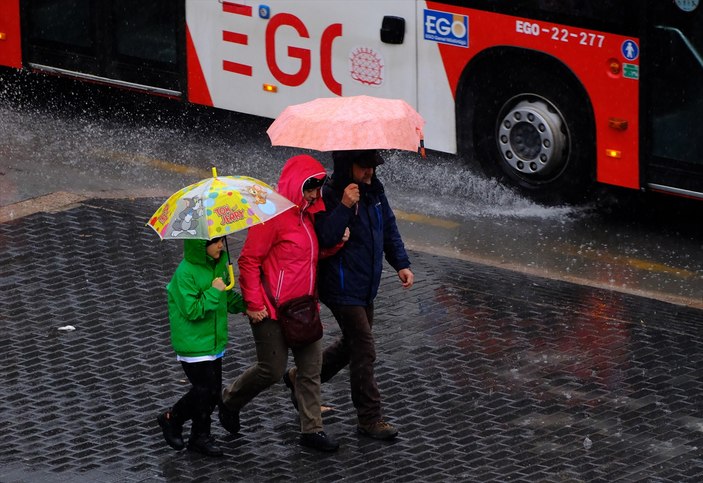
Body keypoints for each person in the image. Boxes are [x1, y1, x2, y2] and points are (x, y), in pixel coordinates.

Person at [284, 149, 414, 441]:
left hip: (364, 284)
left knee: (351, 345)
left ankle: (300, 378)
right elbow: (324, 238)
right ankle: (369, 418)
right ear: (346, 166)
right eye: (363, 166)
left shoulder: (376, 193)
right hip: (340, 287)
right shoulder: (331, 195)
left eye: (372, 167)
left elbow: (389, 229)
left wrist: (401, 264)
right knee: (364, 349)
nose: (369, 173)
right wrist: (344, 206)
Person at [218, 154, 340, 452]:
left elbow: (307, 256)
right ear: (295, 185)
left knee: (311, 369)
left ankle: (311, 430)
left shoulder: (308, 215)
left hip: (303, 309)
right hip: (271, 311)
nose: (314, 195)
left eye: (317, 189)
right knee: (271, 370)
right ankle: (229, 400)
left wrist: (337, 243)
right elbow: (249, 261)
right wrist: (254, 303)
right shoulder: (271, 216)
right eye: (309, 188)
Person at [157, 236, 246, 457]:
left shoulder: (219, 266)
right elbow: (192, 310)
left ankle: (199, 437)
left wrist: (248, 304)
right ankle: (172, 418)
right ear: (200, 246)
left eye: (219, 241)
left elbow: (225, 299)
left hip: (213, 342)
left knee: (212, 392)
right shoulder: (185, 273)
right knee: (205, 390)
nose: (220, 245)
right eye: (214, 242)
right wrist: (215, 290)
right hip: (194, 345)